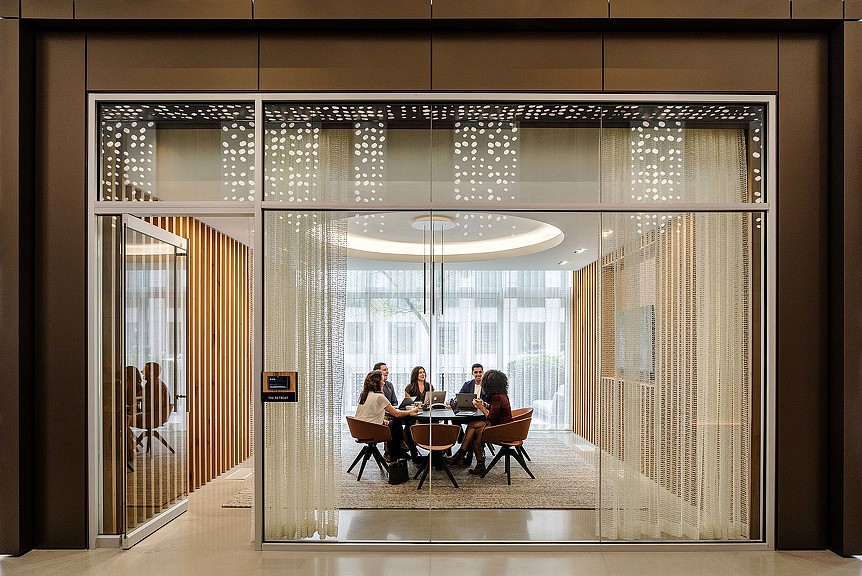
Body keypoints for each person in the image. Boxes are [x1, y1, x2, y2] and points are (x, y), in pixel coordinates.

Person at [445, 369, 512, 476]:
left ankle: (462, 455)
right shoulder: (501, 394)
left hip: (501, 428)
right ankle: (467, 458)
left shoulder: (496, 397)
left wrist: (481, 407)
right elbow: (495, 409)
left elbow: (491, 418)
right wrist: (486, 405)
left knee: (472, 429)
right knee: (473, 429)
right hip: (504, 425)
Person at [355, 370, 421, 462]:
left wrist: (381, 421)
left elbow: (368, 414)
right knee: (395, 423)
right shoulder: (379, 396)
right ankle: (396, 454)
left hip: (359, 430)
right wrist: (412, 411)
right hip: (370, 431)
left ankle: (396, 452)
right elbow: (396, 413)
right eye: (383, 380)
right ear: (378, 383)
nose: (384, 382)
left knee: (392, 424)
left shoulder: (365, 395)